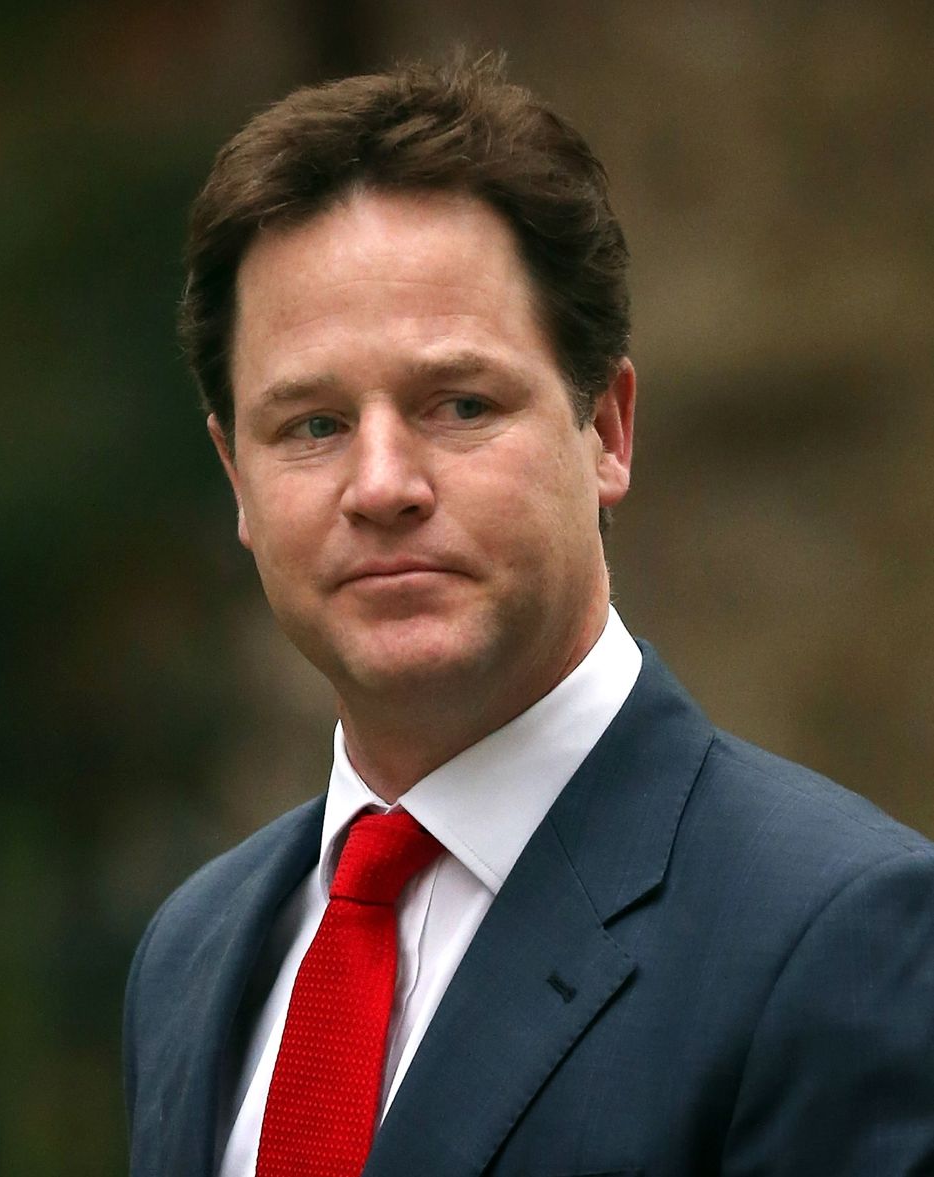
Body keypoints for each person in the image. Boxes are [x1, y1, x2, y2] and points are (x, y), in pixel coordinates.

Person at [123, 55, 934, 1177]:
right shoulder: (191, 951)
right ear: (236, 479)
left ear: (606, 430)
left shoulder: (838, 934)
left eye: (458, 404)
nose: (381, 484)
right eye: (311, 425)